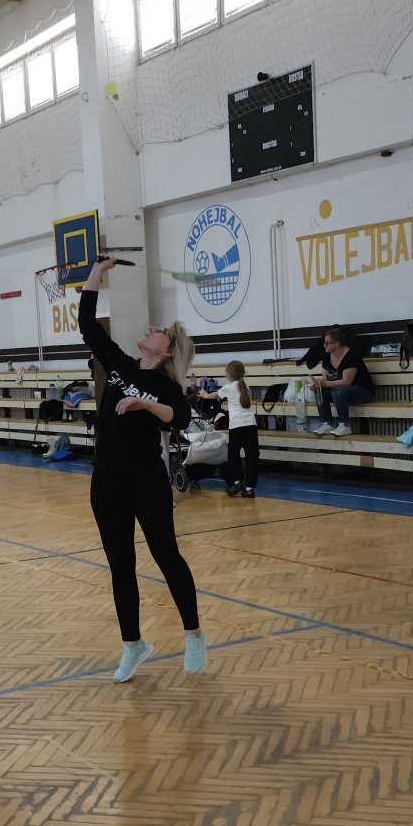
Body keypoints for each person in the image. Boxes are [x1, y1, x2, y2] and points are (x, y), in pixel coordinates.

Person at [79, 256, 206, 684]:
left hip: (146, 480)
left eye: (158, 330)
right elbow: (87, 324)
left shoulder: (166, 387)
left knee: (166, 555)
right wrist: (98, 273)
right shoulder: (121, 366)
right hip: (106, 480)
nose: (150, 329)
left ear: (166, 351)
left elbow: (180, 417)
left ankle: (193, 634)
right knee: (120, 564)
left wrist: (145, 404)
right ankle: (133, 645)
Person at [199, 360, 259, 497]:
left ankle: (237, 482)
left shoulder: (228, 387)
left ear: (230, 374)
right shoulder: (245, 386)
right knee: (252, 457)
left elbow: (215, 395)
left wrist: (204, 395)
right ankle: (249, 488)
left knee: (233, 456)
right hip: (251, 425)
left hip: (236, 426)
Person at [310, 327, 375, 436]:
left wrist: (324, 383)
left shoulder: (351, 356)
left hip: (362, 390)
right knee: (320, 391)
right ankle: (326, 423)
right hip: (339, 392)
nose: (324, 345)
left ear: (336, 344)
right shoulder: (326, 356)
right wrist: (318, 385)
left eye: (327, 343)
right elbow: (325, 379)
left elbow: (346, 382)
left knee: (338, 392)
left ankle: (344, 425)